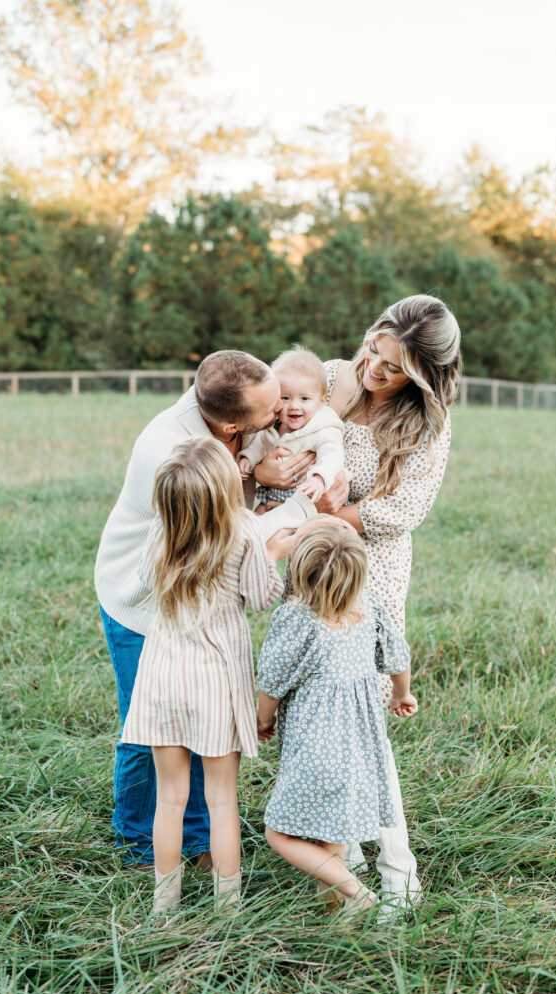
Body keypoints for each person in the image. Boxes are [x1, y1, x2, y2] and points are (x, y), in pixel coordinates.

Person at [256, 295, 461, 910]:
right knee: (312, 712)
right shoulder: (322, 377)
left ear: (423, 377)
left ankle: (398, 873)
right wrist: (270, 478)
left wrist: (327, 514)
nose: (375, 369)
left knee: (364, 723)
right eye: (375, 349)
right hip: (308, 566)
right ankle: (334, 864)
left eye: (394, 367)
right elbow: (258, 430)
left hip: (364, 573)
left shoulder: (428, 425)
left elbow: (403, 512)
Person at [95, 350, 316, 866]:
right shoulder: (166, 448)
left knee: (203, 721)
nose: (280, 413)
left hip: (198, 602)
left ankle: (193, 839)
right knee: (146, 724)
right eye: (270, 410)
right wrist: (295, 511)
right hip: (144, 600)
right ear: (231, 423)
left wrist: (261, 468)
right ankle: (138, 843)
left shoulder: (233, 406)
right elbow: (218, 539)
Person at [121, 438, 293, 916]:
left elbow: (142, 583)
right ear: (224, 487)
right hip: (216, 680)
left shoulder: (162, 531)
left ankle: (164, 903)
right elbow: (262, 597)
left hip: (162, 679)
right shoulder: (243, 531)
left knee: (170, 799)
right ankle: (228, 905)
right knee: (221, 801)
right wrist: (273, 552)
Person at [256, 519, 416, 921]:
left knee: (278, 834)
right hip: (361, 745)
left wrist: (262, 720)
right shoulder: (370, 606)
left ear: (299, 571)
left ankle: (355, 891)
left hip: (314, 747)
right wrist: (402, 695)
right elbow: (397, 659)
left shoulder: (296, 617)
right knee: (330, 839)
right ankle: (340, 919)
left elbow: (273, 681)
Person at [237, 348, 345, 510]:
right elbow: (259, 445)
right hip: (273, 495)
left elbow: (333, 456)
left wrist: (319, 478)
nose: (294, 406)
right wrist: (248, 459)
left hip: (308, 498)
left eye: (304, 399)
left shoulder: (323, 429)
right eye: (285, 398)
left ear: (321, 401)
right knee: (254, 525)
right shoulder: (273, 426)